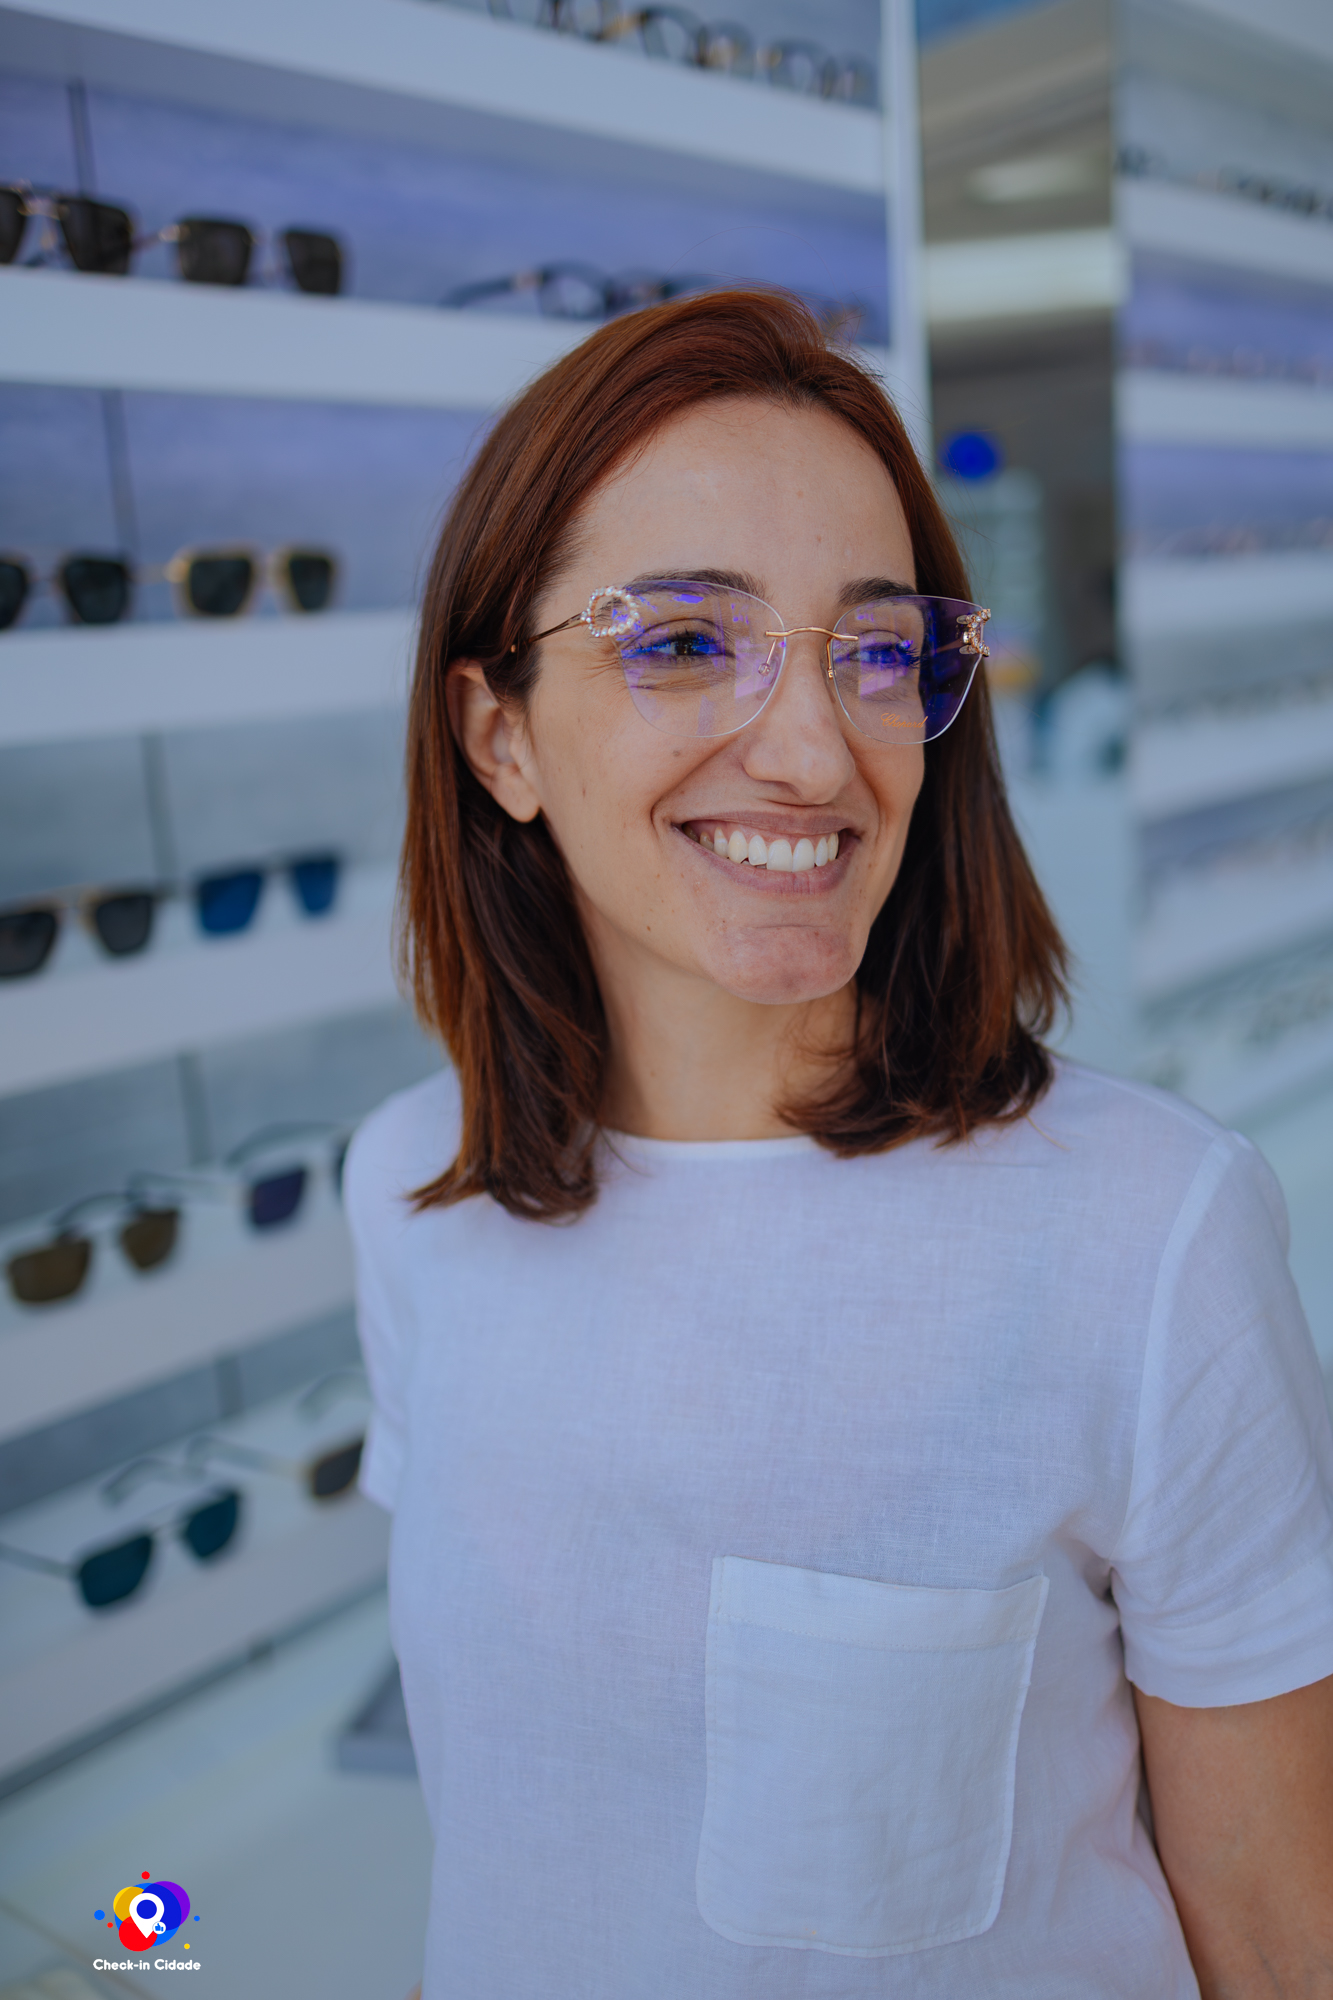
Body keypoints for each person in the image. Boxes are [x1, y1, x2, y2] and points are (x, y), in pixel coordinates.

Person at [345, 291, 1333, 1998]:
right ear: (499, 735)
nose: (816, 752)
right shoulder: (412, 1189)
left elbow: (1275, 1935)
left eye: (878, 654)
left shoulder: (1147, 1232)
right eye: (681, 640)